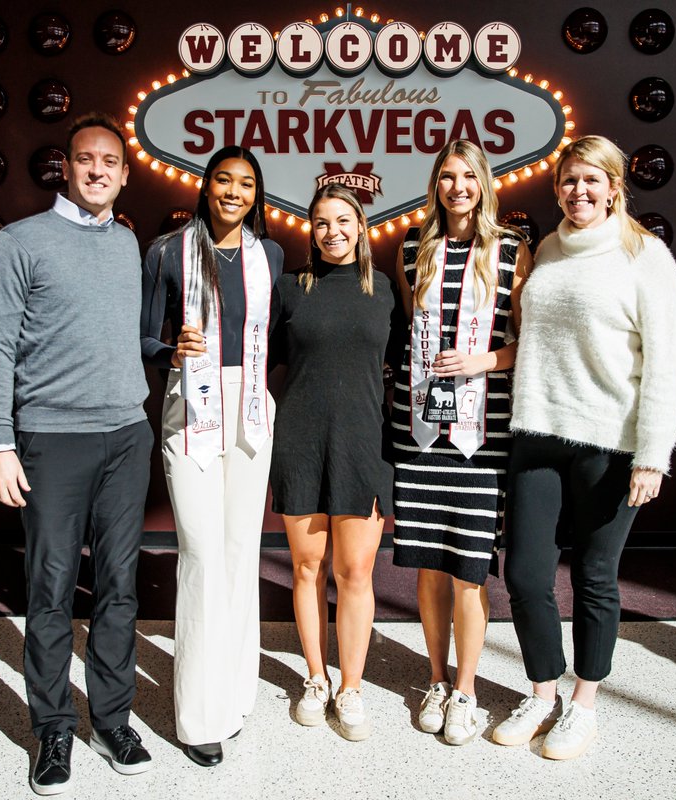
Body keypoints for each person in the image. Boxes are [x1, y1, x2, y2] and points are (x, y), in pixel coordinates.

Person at [0, 111, 153, 795]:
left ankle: (111, 717)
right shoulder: (22, 242)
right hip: (50, 439)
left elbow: (118, 339)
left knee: (118, 589)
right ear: (67, 166)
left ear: (124, 173)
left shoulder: (125, 245)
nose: (98, 170)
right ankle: (53, 727)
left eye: (110, 161)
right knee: (49, 591)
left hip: (125, 437)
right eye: (86, 159)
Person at [497, 134, 676, 760]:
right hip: (537, 432)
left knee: (595, 576)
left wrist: (653, 455)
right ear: (557, 189)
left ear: (614, 187)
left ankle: (584, 703)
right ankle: (542, 691)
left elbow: (667, 363)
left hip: (609, 442)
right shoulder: (547, 250)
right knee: (525, 574)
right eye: (569, 181)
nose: (579, 192)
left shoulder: (645, 255)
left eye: (592, 181)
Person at [141, 146, 284, 767]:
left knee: (238, 552)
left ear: (257, 193)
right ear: (205, 187)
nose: (234, 191)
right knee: (200, 554)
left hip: (250, 407)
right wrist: (170, 348)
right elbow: (142, 335)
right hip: (191, 405)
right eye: (223, 180)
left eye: (246, 183)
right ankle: (199, 715)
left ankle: (235, 692)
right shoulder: (168, 251)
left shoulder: (270, 255)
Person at [391, 140, 530, 746]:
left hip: (481, 433)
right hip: (419, 431)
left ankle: (468, 692)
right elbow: (409, 336)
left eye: (467, 177)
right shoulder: (409, 248)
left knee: (468, 571)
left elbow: (526, 346)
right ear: (435, 184)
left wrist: (476, 360)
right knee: (427, 566)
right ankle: (437, 679)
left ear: (483, 183)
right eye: (446, 177)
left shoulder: (510, 251)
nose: (457, 187)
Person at [270, 184, 401, 741]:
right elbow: (258, 361)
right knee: (306, 569)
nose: (333, 232)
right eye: (321, 223)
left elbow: (399, 370)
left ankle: (351, 687)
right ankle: (315, 678)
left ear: (361, 225)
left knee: (355, 574)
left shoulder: (387, 292)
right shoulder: (288, 289)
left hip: (361, 448)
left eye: (343, 220)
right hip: (299, 445)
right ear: (310, 230)